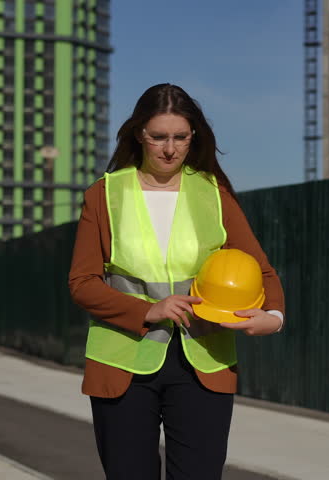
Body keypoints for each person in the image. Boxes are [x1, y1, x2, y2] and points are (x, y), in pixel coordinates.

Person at [68, 83, 285, 480]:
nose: (170, 148)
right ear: (139, 135)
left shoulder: (214, 194)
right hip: (122, 363)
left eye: (181, 137)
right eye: (159, 137)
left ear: (193, 137)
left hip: (205, 362)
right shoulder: (104, 194)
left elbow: (261, 269)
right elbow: (82, 282)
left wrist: (273, 315)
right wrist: (148, 309)